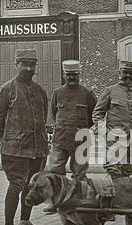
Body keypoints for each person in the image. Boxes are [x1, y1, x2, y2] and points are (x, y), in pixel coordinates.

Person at [0, 49, 49, 225]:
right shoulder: (7, 89)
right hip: (15, 150)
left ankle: (24, 222)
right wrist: (10, 138)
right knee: (16, 185)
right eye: (24, 64)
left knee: (31, 186)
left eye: (32, 64)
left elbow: (43, 117)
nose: (29, 68)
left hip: (37, 149)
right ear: (16, 64)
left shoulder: (40, 91)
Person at [44, 60, 97, 213]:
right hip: (60, 139)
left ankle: (78, 201)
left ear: (79, 74)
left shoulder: (87, 93)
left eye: (74, 74)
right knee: (54, 172)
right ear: (64, 75)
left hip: (81, 140)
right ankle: (56, 202)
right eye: (68, 75)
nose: (71, 77)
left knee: (79, 173)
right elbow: (54, 114)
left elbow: (93, 115)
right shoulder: (57, 93)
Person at [91, 60, 132, 179]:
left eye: (131, 73)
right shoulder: (110, 91)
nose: (128, 75)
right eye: (125, 72)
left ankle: (123, 195)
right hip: (115, 138)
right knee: (113, 170)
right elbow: (98, 113)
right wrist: (102, 131)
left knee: (130, 169)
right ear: (119, 73)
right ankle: (112, 194)